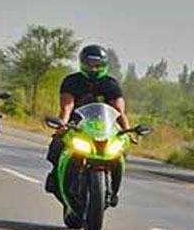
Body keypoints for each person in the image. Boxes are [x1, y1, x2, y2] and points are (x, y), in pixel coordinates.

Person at [44, 44, 132, 208]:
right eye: (90, 63)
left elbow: (120, 112)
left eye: (97, 64)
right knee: (57, 146)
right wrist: (61, 125)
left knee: (121, 151)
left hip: (105, 129)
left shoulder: (111, 84)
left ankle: (113, 190)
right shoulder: (72, 81)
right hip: (77, 127)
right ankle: (55, 176)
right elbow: (67, 107)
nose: (93, 68)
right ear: (82, 63)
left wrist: (128, 132)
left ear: (104, 64)